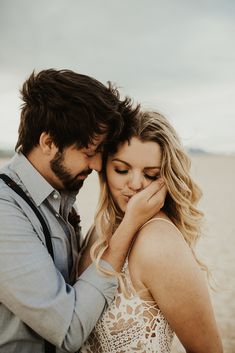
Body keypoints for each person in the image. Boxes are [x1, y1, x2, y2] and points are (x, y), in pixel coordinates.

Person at [0, 70, 166, 353]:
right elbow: (69, 331)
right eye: (89, 151)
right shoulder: (6, 212)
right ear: (48, 142)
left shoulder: (60, 196)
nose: (98, 165)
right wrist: (128, 226)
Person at [78, 111, 223, 353]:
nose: (135, 184)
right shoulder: (99, 230)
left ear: (166, 177)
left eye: (151, 175)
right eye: (122, 170)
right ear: (104, 168)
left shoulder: (159, 244)